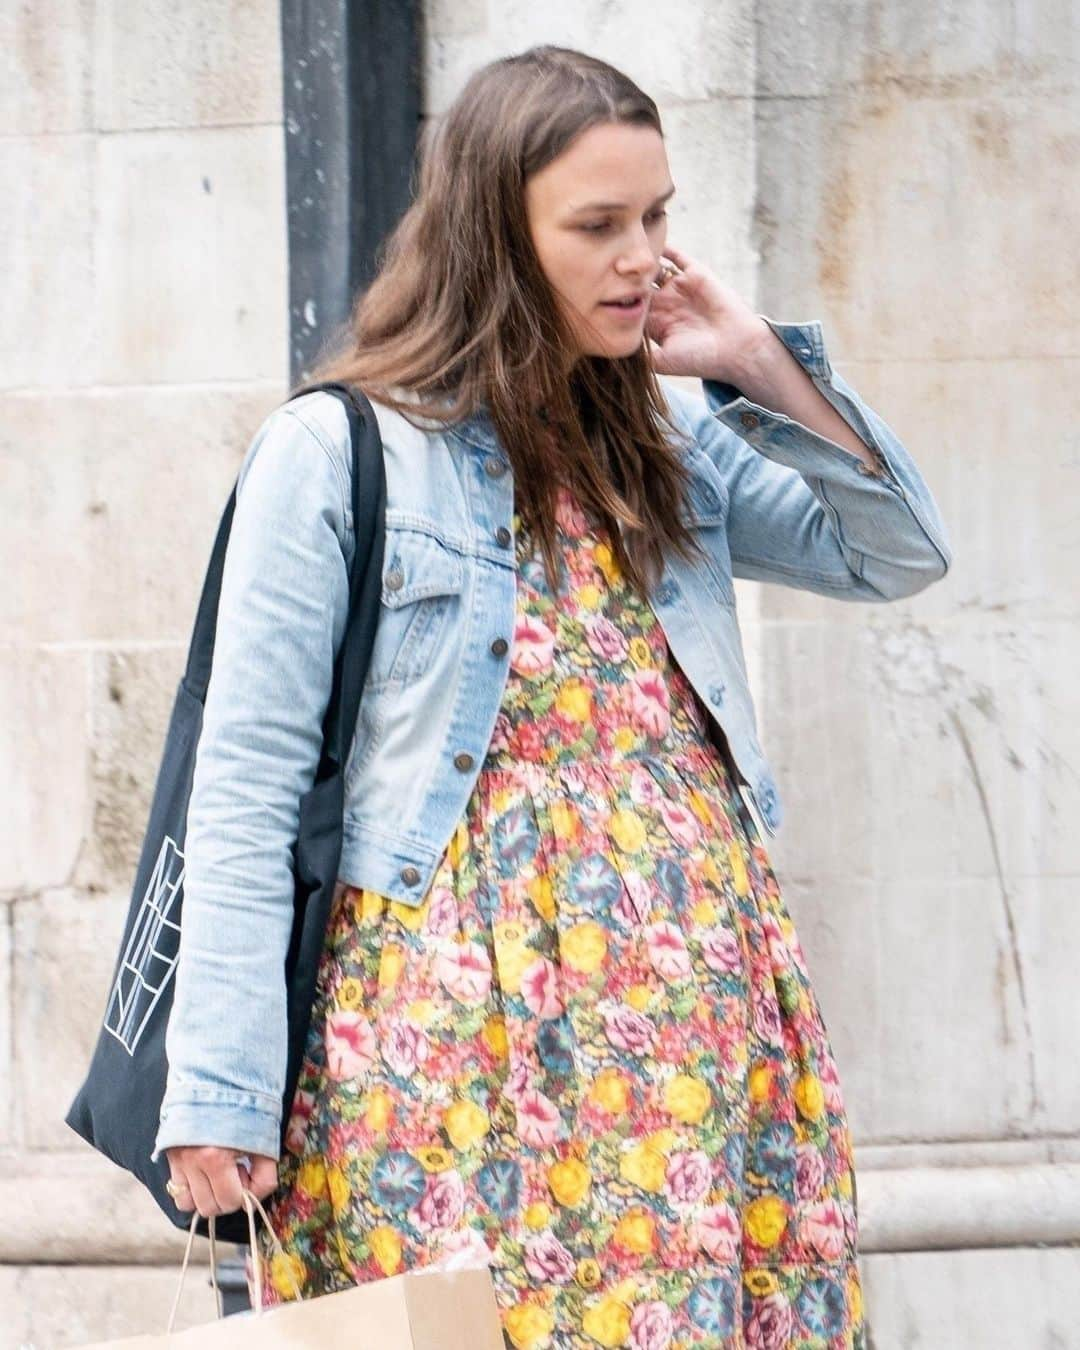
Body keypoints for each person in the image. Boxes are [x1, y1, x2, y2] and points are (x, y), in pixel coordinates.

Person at [155, 45, 949, 1349]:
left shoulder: (670, 447)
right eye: (597, 225)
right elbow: (241, 779)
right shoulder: (341, 451)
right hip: (452, 1047)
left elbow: (894, 550)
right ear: (495, 239)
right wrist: (224, 1086)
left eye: (657, 217)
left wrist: (758, 364)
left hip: (696, 1046)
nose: (643, 256)